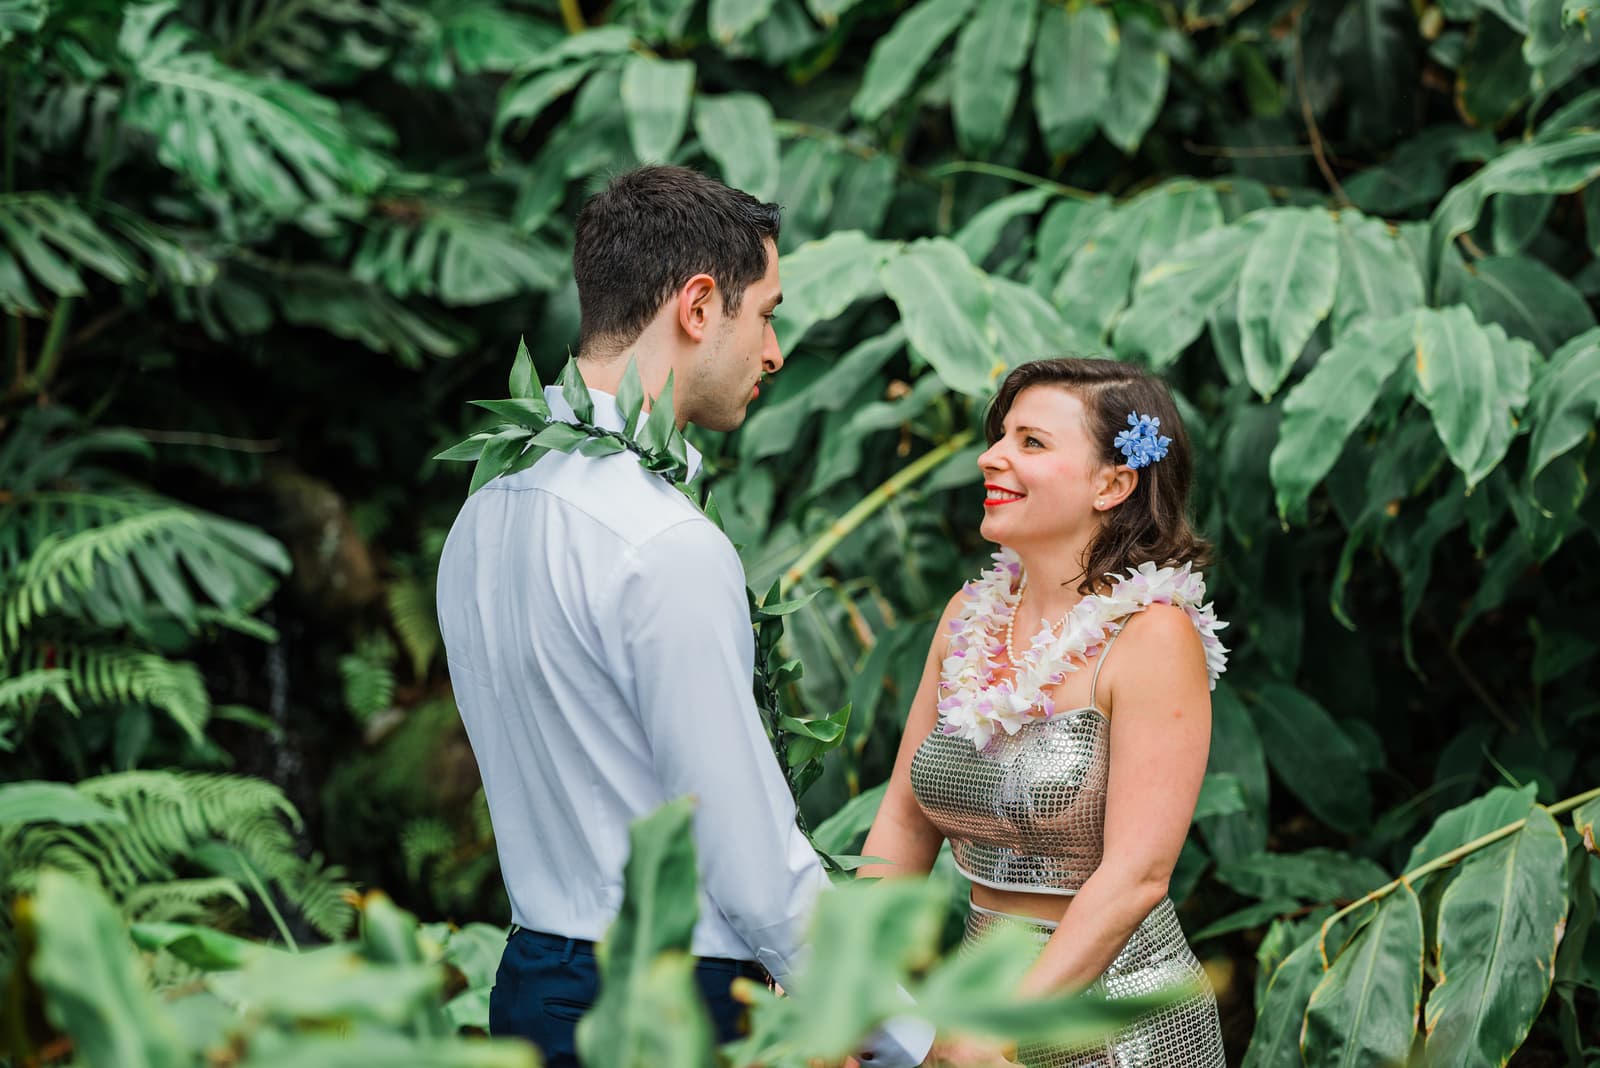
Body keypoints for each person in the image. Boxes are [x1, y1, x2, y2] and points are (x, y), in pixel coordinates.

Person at [435, 165, 931, 1067]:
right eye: (768, 312)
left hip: (533, 990)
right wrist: (912, 1040)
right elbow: (746, 855)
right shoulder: (662, 540)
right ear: (700, 307)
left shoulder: (485, 508)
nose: (776, 351)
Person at [858, 358, 1229, 1067]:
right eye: (1001, 435)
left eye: (1030, 442)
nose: (989, 456)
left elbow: (1137, 876)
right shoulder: (966, 619)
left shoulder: (1153, 637)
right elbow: (905, 819)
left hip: (1113, 1017)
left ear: (1112, 483)